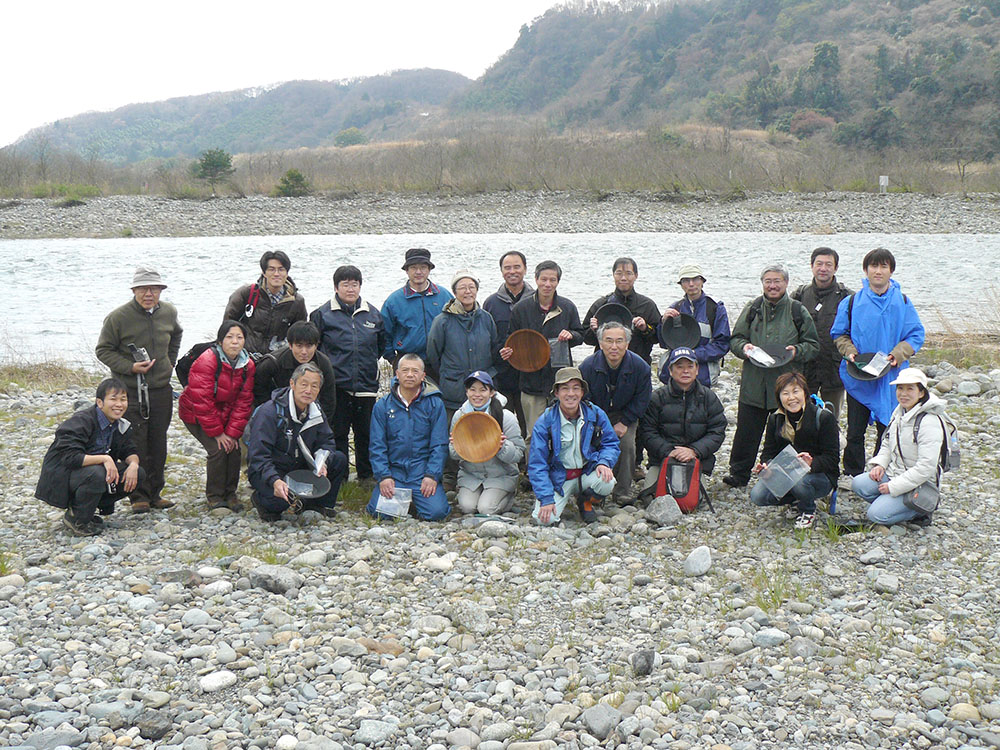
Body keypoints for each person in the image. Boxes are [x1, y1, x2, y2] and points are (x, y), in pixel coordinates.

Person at [831, 248, 925, 480]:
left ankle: (879, 473)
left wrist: (897, 355)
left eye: (884, 266)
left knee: (888, 428)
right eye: (874, 266)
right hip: (859, 375)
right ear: (866, 270)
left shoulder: (903, 301)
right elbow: (839, 334)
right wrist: (850, 352)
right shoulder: (851, 302)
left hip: (892, 377)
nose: (878, 271)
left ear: (891, 271)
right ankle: (852, 474)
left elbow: (915, 335)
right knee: (855, 430)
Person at [95, 266, 183, 513]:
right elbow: (103, 350)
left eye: (154, 288)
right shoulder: (118, 317)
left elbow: (177, 334)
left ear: (160, 290)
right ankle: (138, 496)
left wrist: (170, 361)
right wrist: (130, 366)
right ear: (134, 290)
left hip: (161, 388)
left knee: (158, 441)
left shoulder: (169, 312)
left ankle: (155, 493)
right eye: (143, 288)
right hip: (129, 391)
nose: (149, 293)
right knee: (135, 442)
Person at [724, 264, 819, 488]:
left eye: (777, 281)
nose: (773, 285)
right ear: (763, 284)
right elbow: (735, 339)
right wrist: (744, 348)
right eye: (768, 281)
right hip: (754, 382)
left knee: (787, 432)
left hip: (786, 385)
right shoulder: (753, 308)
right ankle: (739, 474)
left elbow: (813, 345)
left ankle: (785, 476)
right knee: (747, 431)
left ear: (786, 283)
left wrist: (797, 351)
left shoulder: (797, 311)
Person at [35, 378, 145, 536]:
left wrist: (133, 465)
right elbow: (70, 457)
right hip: (63, 478)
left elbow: (129, 449)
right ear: (100, 403)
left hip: (90, 475)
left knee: (138, 473)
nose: (119, 404)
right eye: (113, 399)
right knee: (97, 473)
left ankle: (89, 509)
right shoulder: (81, 421)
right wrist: (105, 459)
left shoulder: (120, 424)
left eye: (123, 399)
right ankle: (76, 518)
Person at [310, 265, 386, 481]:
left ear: (360, 286)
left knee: (367, 434)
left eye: (355, 284)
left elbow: (380, 347)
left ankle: (367, 476)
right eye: (345, 284)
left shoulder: (373, 314)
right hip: (337, 387)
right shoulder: (322, 315)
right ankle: (339, 477)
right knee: (337, 433)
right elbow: (314, 349)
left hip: (366, 386)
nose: (350, 289)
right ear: (336, 287)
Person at [427, 270, 501, 490]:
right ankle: (451, 476)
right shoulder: (442, 321)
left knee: (484, 429)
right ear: (455, 292)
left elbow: (493, 345)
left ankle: (486, 471)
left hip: (482, 386)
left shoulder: (486, 318)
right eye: (462, 287)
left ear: (477, 290)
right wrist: (450, 375)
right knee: (453, 431)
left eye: (472, 287)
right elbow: (433, 354)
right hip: (453, 387)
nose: (468, 291)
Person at [246, 362, 348, 521]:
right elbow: (258, 456)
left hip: (299, 464)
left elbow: (326, 442)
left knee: (339, 459)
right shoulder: (270, 412)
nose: (309, 390)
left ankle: (317, 505)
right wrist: (274, 480)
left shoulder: (316, 411)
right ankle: (260, 499)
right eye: (304, 384)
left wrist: (323, 462)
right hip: (272, 469)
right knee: (279, 503)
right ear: (292, 384)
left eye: (314, 386)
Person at [501, 260, 585, 445]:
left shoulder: (567, 307)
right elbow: (512, 339)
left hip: (560, 378)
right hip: (531, 380)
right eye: (544, 279)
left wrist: (571, 334)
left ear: (557, 282)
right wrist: (508, 353)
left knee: (563, 433)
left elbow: (581, 335)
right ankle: (534, 472)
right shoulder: (521, 308)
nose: (548, 284)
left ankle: (562, 471)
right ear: (536, 279)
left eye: (552, 280)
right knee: (534, 434)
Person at [178, 320, 256, 512]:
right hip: (195, 413)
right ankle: (214, 496)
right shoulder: (207, 360)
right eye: (229, 337)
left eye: (239, 337)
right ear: (220, 341)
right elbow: (202, 402)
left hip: (226, 414)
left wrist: (231, 433)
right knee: (218, 449)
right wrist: (219, 434)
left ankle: (230, 493)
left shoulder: (248, 365)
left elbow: (244, 402)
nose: (235, 342)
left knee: (235, 448)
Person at [527, 367, 620, 525]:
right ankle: (556, 500)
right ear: (556, 393)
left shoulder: (596, 414)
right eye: (565, 388)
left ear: (582, 392)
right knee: (544, 520)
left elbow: (611, 443)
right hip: (559, 479)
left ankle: (586, 501)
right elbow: (537, 464)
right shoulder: (545, 421)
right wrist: (546, 498)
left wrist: (604, 462)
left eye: (576, 388)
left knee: (607, 481)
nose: (571, 394)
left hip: (587, 472)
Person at [851, 368, 943, 527]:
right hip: (895, 472)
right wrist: (880, 464)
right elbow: (887, 443)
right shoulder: (899, 412)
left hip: (919, 484)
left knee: (875, 515)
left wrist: (893, 487)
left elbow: (926, 467)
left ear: (921, 393)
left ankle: (921, 509)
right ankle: (891, 505)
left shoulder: (929, 422)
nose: (903, 393)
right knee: (859, 484)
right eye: (900, 388)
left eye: (910, 389)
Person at [750, 372, 840, 530]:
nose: (791, 398)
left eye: (795, 391)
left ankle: (808, 509)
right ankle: (797, 500)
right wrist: (767, 467)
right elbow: (768, 451)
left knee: (799, 480)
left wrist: (812, 463)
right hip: (786, 472)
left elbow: (832, 459)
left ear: (805, 392)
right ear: (779, 398)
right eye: (785, 393)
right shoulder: (775, 419)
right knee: (758, 495)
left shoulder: (824, 418)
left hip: (819, 475)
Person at [366, 354, 450, 521]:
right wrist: (384, 476)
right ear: (397, 374)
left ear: (423, 376)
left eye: (415, 371)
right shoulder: (382, 406)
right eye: (405, 370)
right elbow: (377, 446)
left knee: (437, 513)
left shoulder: (435, 404)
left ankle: (414, 500)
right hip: (395, 472)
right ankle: (406, 501)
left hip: (421, 471)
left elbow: (439, 444)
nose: (410, 375)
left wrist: (432, 476)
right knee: (379, 513)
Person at [579, 322, 651, 504]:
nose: (614, 347)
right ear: (600, 343)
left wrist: (625, 422)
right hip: (595, 415)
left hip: (626, 414)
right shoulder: (587, 366)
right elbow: (583, 399)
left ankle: (622, 490)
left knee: (626, 445)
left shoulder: (640, 367)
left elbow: (642, 400)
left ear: (627, 344)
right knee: (591, 443)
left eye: (619, 341)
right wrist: (597, 424)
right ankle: (593, 488)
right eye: (608, 341)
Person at [639, 347, 727, 495]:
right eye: (679, 367)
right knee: (651, 496)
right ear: (670, 370)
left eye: (690, 366)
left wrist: (694, 451)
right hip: (663, 459)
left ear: (697, 369)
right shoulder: (657, 398)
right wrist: (669, 451)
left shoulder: (708, 397)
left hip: (696, 460)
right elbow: (647, 432)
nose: (685, 371)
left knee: (692, 500)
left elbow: (717, 431)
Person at [448, 371, 525, 515]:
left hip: (500, 475)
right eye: (472, 389)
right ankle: (484, 496)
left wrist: (502, 446)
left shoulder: (505, 417)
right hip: (471, 475)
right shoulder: (459, 417)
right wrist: (458, 446)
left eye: (483, 390)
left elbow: (518, 454)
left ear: (491, 392)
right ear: (467, 392)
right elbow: (453, 455)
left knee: (486, 509)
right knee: (467, 507)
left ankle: (507, 496)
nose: (477, 394)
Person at [791, 247, 853, 418]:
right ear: (812, 266)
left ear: (836, 268)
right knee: (801, 415)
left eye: (828, 264)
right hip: (805, 367)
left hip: (833, 368)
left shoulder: (847, 297)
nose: (823, 268)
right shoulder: (800, 295)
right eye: (819, 264)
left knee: (831, 417)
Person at [483, 251, 534, 434]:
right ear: (501, 271)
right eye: (507, 268)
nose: (512, 271)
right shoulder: (491, 303)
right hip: (502, 374)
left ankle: (527, 462)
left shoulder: (536, 300)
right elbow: (486, 338)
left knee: (529, 426)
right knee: (501, 425)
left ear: (525, 269)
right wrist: (499, 353)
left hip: (530, 375)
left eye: (517, 267)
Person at [223, 250, 307, 358]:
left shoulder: (296, 301)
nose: (276, 274)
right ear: (264, 272)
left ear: (287, 272)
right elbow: (227, 326)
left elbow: (300, 334)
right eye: (271, 269)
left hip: (276, 359)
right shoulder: (246, 294)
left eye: (281, 269)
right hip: (244, 356)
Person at [381, 248, 453, 373]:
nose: (418, 272)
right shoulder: (394, 301)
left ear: (429, 270)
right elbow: (384, 333)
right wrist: (392, 358)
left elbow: (455, 326)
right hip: (407, 361)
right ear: (407, 271)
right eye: (413, 267)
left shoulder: (445, 296)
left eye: (423, 267)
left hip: (440, 362)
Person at [663, 263, 731, 387]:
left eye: (695, 279)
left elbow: (723, 344)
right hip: (674, 378)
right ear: (681, 284)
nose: (691, 284)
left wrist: (693, 354)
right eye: (686, 280)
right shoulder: (675, 308)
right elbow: (663, 343)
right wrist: (663, 323)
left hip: (704, 376)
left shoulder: (715, 308)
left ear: (702, 281)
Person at [253, 321, 337, 421]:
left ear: (316, 345)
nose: (304, 352)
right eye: (299, 346)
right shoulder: (272, 362)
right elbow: (258, 388)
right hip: (276, 412)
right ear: (290, 345)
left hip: (311, 412)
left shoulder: (324, 364)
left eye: (309, 346)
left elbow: (329, 400)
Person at [583, 257, 660, 364]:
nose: (623, 278)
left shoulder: (647, 305)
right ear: (613, 275)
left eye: (628, 273)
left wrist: (645, 328)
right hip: (605, 364)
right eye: (619, 273)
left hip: (638, 363)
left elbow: (658, 338)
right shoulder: (601, 305)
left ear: (636, 276)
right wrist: (593, 330)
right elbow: (586, 339)